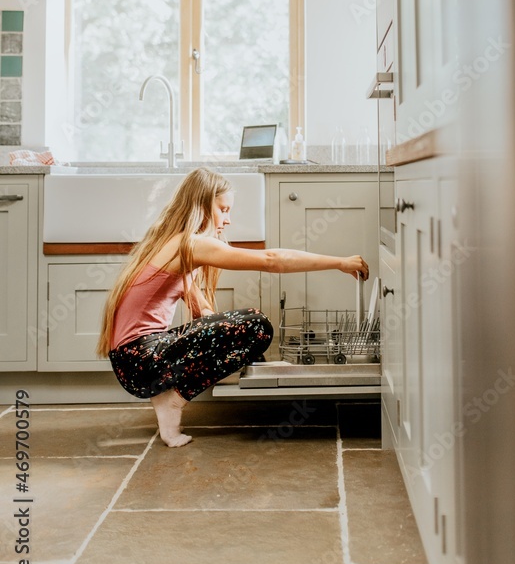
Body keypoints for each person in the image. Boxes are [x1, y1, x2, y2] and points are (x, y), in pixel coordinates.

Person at [96, 167, 369, 448]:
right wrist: (339, 262)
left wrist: (239, 353)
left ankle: (170, 399)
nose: (227, 220)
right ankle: (173, 400)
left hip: (135, 361)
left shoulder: (171, 243)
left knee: (244, 326)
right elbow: (272, 260)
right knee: (257, 324)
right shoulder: (189, 244)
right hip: (141, 361)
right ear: (202, 205)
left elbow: (203, 315)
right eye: (223, 210)